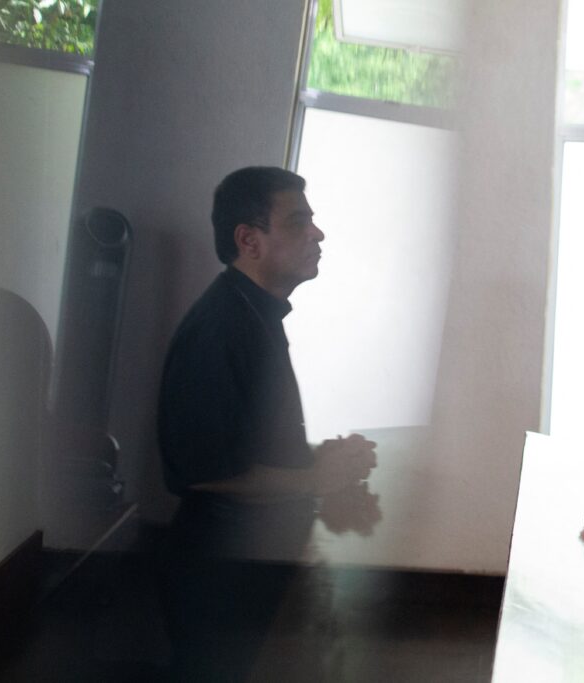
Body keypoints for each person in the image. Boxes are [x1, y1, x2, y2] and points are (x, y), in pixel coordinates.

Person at [157, 166, 376, 680]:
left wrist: (323, 456)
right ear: (248, 240)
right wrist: (317, 479)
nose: (317, 234)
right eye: (299, 222)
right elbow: (203, 470)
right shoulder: (221, 327)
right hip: (220, 576)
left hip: (248, 563)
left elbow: (246, 442)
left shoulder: (252, 313)